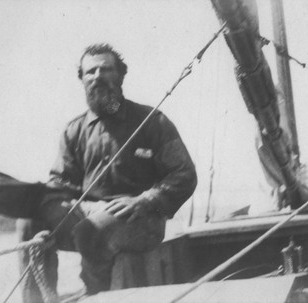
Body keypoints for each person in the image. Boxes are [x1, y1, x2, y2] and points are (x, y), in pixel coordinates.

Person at [11, 43, 197, 301]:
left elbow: (184, 174)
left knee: (92, 229)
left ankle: (96, 297)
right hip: (87, 214)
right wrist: (38, 196)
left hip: (143, 219)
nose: (97, 76)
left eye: (105, 69)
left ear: (120, 76)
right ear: (82, 80)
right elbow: (61, 183)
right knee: (28, 222)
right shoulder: (73, 131)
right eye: (90, 72)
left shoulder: (153, 122)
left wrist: (147, 200)